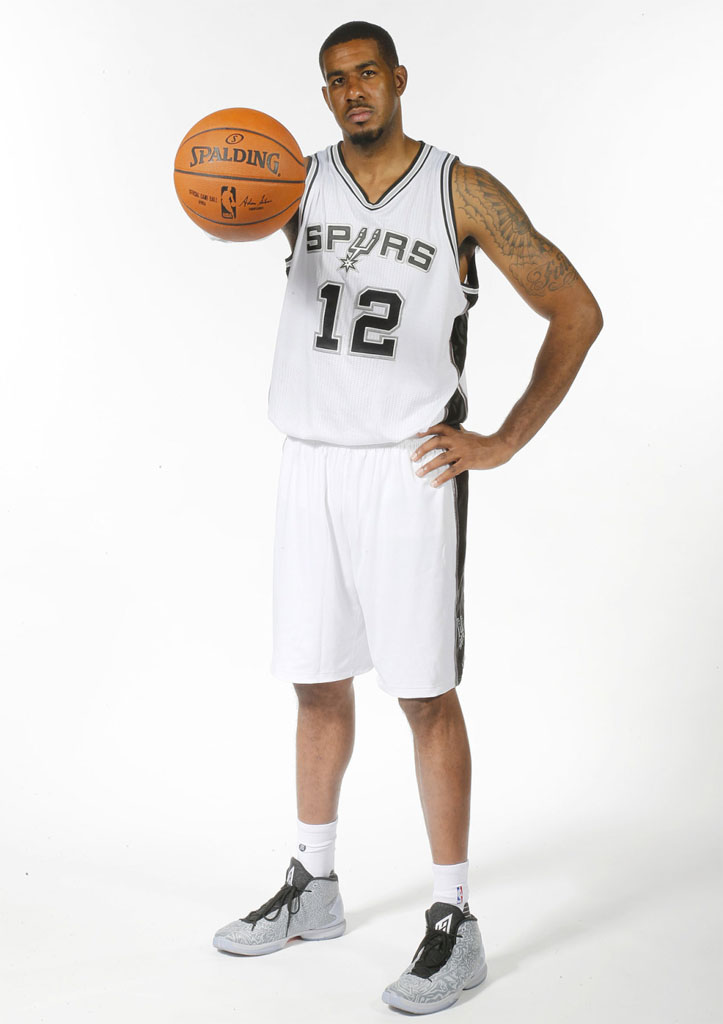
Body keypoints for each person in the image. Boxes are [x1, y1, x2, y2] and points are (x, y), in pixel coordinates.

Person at [213, 20, 603, 1015]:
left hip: (408, 468)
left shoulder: (459, 190)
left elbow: (575, 310)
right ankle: (314, 884)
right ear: (325, 95)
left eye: (366, 74)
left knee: (424, 694)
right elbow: (224, 197)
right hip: (309, 460)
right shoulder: (292, 184)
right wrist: (217, 199)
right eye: (334, 80)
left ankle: (455, 920)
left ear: (396, 79)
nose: (352, 91)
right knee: (315, 681)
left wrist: (504, 438)